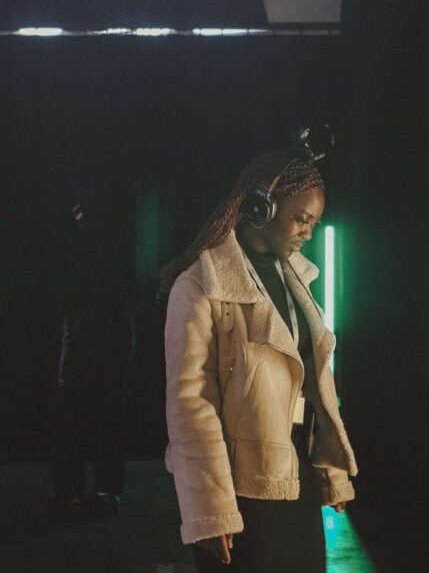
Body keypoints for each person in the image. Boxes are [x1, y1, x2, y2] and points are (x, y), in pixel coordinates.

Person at [159, 134, 358, 572]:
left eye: (315, 222)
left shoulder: (298, 282)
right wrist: (210, 513)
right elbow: (191, 406)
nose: (309, 232)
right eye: (300, 219)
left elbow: (311, 386)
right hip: (239, 490)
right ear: (260, 208)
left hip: (294, 477)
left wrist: (331, 473)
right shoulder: (198, 288)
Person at [47, 189, 135, 518]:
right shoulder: (112, 246)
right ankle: (99, 492)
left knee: (79, 418)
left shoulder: (91, 248)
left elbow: (71, 293)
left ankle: (80, 493)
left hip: (95, 339)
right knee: (103, 419)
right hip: (107, 340)